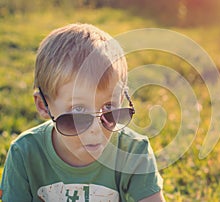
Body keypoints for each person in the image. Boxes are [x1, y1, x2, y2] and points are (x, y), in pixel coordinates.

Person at [0, 23, 165, 202]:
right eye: (78, 111)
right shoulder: (25, 153)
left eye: (109, 107)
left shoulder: (133, 151)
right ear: (43, 105)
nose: (96, 128)